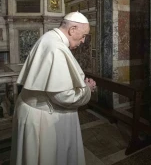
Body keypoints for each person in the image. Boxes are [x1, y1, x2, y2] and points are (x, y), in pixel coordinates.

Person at [10, 11, 97, 165]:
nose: (83, 41)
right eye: (83, 35)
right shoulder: (57, 48)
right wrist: (87, 89)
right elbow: (63, 96)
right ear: (72, 29)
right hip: (42, 118)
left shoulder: (49, 38)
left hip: (33, 110)